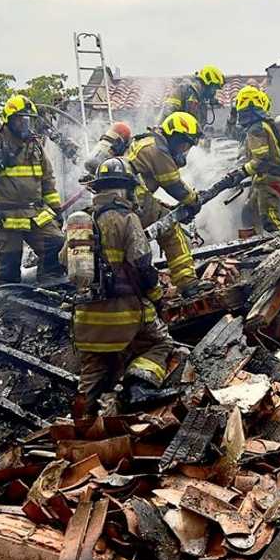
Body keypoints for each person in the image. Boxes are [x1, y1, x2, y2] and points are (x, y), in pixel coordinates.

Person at [64, 157, 174, 418]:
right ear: (125, 188)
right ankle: (138, 389)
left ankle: (79, 423)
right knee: (161, 343)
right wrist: (157, 297)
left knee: (92, 372)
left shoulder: (80, 222)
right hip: (124, 314)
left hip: (87, 319)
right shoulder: (127, 218)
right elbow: (142, 263)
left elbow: (63, 261)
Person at [0, 94, 65, 283]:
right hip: (6, 216)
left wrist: (56, 209)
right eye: (21, 120)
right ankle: (9, 308)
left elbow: (47, 180)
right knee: (9, 266)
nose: (25, 125)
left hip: (35, 212)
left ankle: (49, 289)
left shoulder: (36, 146)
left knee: (56, 244)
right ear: (9, 120)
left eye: (28, 120)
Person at [124, 111, 212, 297]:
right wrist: (194, 200)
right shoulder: (157, 149)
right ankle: (188, 283)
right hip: (134, 201)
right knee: (170, 229)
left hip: (127, 201)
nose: (184, 150)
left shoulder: (147, 142)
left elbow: (142, 186)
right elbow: (174, 185)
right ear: (174, 137)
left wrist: (165, 206)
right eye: (184, 144)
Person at [224, 86, 280, 234]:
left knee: (270, 219)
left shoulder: (256, 129)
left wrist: (241, 173)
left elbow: (262, 160)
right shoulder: (264, 124)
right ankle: (253, 246)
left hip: (269, 179)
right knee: (249, 214)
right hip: (265, 179)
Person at [159, 66, 225, 128]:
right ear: (207, 83)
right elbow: (167, 112)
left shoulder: (201, 101)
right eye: (214, 88)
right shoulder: (183, 90)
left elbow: (199, 126)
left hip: (188, 138)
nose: (214, 92)